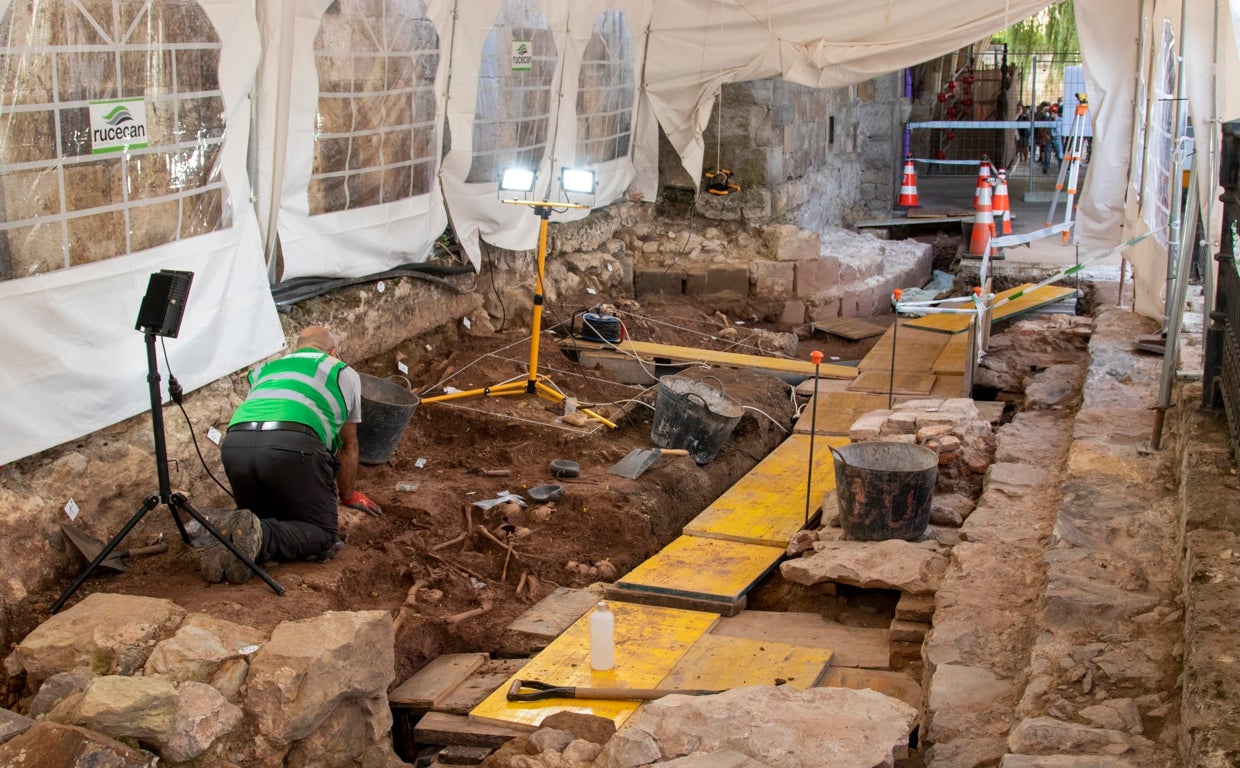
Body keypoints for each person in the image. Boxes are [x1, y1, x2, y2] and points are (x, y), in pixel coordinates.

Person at [202, 325, 383, 584]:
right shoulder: (341, 370)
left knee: (257, 518)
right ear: (332, 351)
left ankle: (235, 537)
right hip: (293, 443)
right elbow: (347, 444)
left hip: (236, 444)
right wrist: (347, 495)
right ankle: (263, 537)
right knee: (322, 534)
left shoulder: (264, 370)